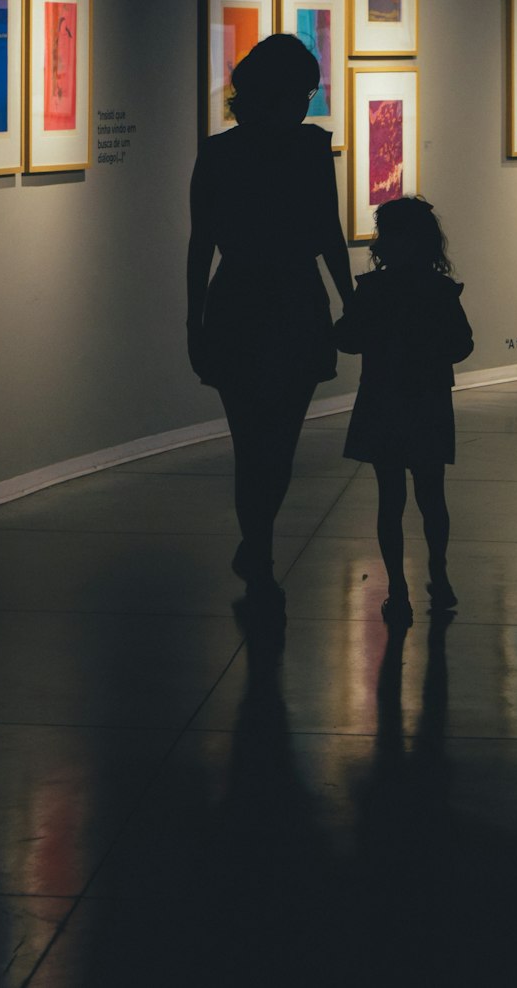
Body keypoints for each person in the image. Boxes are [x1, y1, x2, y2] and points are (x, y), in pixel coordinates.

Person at [187, 34, 353, 617]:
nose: (307, 104)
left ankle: (256, 546)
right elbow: (324, 233)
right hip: (280, 300)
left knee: (264, 444)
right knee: (268, 442)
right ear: (275, 93)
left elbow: (202, 246)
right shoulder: (298, 151)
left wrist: (195, 319)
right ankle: (257, 548)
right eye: (302, 92)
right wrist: (346, 297)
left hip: (248, 301)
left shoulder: (228, 153)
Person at [333, 196, 473, 626]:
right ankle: (438, 570)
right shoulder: (439, 291)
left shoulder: (373, 290)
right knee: (432, 495)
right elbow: (462, 344)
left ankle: (397, 586)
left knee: (389, 498)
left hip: (383, 398)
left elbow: (347, 339)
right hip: (427, 400)